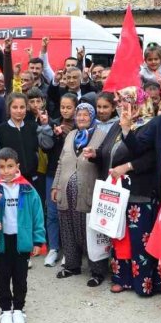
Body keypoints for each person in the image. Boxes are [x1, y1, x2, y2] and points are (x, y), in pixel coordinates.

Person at [108, 88, 161, 295]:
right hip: (119, 190)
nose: (121, 105)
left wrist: (127, 166)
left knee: (140, 240)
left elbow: (148, 157)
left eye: (126, 101)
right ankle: (122, 278)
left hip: (140, 191)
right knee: (120, 236)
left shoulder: (151, 125)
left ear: (138, 103)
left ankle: (143, 284)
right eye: (120, 101)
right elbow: (110, 151)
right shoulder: (120, 123)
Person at [0, 148, 46, 323]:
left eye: (10, 166)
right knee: (3, 276)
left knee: (21, 277)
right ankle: (6, 310)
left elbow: (37, 215)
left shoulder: (27, 189)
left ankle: (19, 309)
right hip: (2, 241)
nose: (6, 171)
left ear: (17, 166)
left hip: (22, 241)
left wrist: (38, 241)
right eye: (2, 167)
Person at [52, 103, 103, 284]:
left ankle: (97, 271)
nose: (81, 118)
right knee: (68, 230)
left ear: (92, 117)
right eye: (79, 115)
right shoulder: (71, 135)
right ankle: (72, 266)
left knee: (89, 232)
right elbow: (61, 162)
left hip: (87, 191)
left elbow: (104, 160)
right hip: (65, 192)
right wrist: (55, 186)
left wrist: (96, 155)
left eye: (85, 115)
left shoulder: (100, 135)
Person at [39, 93, 77, 267]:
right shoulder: (53, 123)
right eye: (63, 107)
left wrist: (67, 135)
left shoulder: (80, 126)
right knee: (52, 212)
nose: (65, 110)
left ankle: (71, 250)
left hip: (73, 174)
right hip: (53, 172)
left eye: (69, 107)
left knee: (70, 212)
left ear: (75, 108)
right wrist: (49, 130)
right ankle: (54, 248)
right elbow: (46, 148)